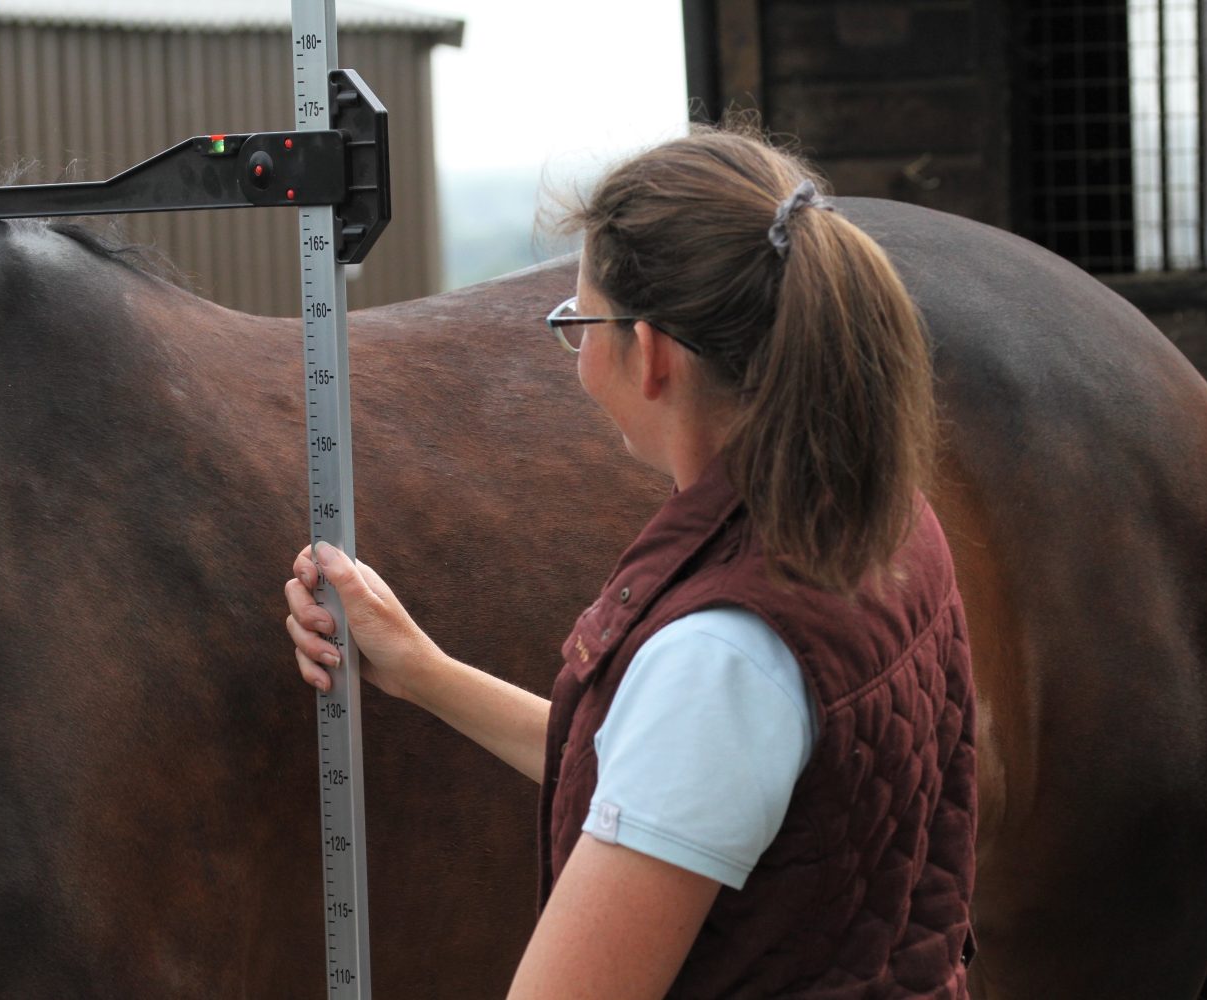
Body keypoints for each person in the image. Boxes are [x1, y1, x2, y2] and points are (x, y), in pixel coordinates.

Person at [284, 126, 977, 999]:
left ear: (649, 354)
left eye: (577, 324)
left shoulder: (723, 653)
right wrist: (423, 671)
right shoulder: (881, 520)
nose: (574, 352)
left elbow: (695, 737)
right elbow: (671, 780)